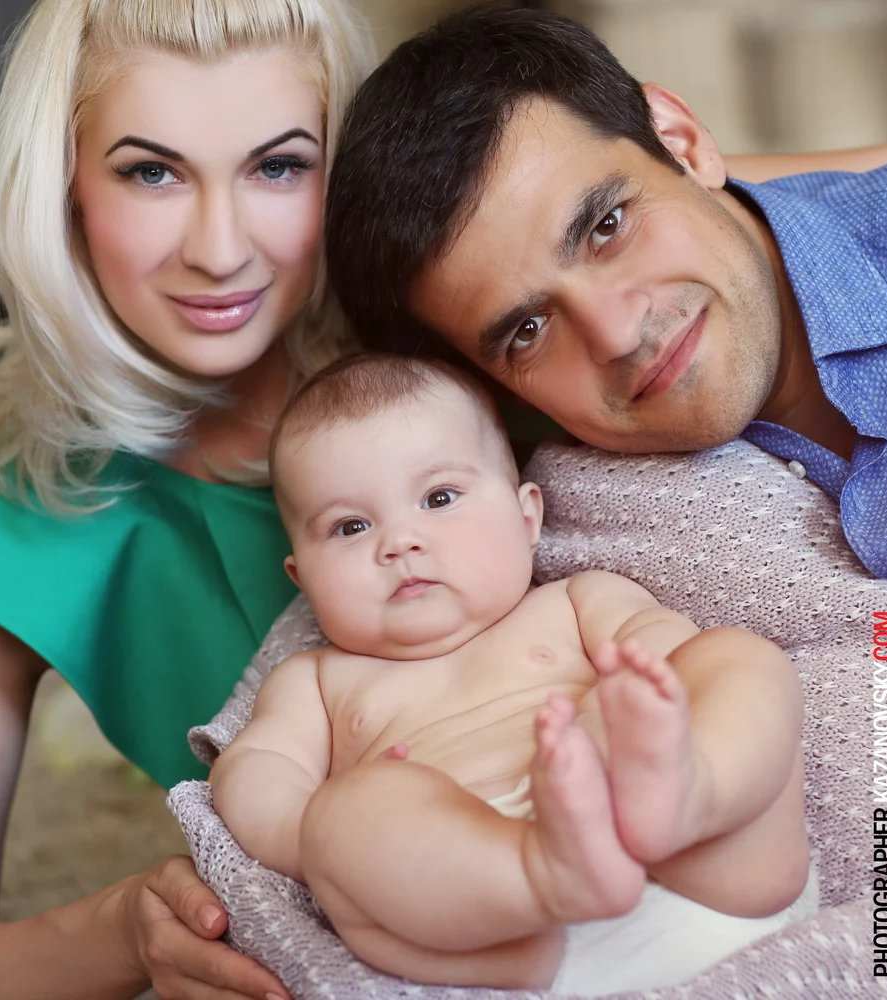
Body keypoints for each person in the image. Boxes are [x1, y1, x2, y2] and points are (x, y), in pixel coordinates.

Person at [0, 0, 373, 997]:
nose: (219, 249)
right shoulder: (30, 494)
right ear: (63, 184)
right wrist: (124, 934)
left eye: (278, 166)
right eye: (151, 171)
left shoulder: (468, 331)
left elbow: (728, 205)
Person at [211, 353, 811, 993]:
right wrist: (324, 837)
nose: (399, 542)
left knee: (737, 659)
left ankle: (689, 792)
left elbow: (668, 651)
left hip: (698, 864)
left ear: (528, 518)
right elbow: (255, 773)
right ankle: (545, 872)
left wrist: (645, 706)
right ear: (303, 579)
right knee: (340, 819)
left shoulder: (577, 601)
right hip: (494, 918)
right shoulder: (316, 681)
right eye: (350, 526)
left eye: (439, 497)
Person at [324, 3, 887, 614]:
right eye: (529, 331)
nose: (615, 334)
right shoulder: (545, 535)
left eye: (606, 226)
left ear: (683, 143)